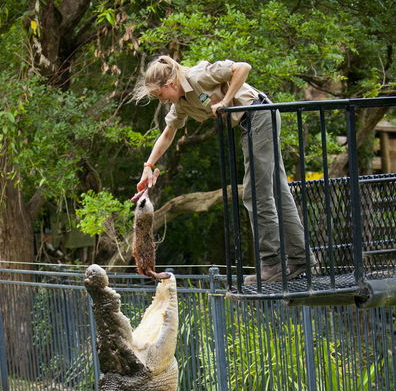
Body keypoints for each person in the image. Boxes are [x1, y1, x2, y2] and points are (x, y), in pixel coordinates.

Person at [133, 55, 313, 284]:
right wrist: (148, 166)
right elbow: (168, 134)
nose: (161, 100)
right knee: (278, 190)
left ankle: (273, 264)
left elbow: (242, 68)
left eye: (160, 95)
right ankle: (300, 257)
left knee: (256, 194)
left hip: (259, 115)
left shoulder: (197, 76)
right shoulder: (180, 103)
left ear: (171, 84)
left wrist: (226, 101)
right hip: (253, 122)